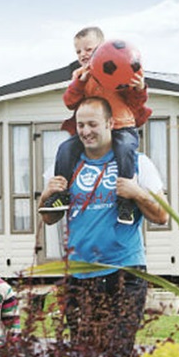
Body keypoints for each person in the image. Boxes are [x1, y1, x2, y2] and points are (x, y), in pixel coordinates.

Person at [38, 96, 168, 357]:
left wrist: (137, 193)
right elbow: (49, 218)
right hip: (80, 274)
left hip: (125, 271)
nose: (86, 131)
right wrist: (46, 195)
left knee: (118, 355)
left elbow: (162, 216)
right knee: (83, 356)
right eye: (80, 125)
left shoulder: (137, 164)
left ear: (110, 123)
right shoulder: (64, 165)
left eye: (93, 124)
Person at [39, 27, 152, 225]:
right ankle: (61, 194)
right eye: (78, 51)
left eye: (88, 49)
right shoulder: (79, 75)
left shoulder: (121, 68)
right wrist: (79, 84)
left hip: (122, 127)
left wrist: (140, 87)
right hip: (91, 132)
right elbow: (69, 102)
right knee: (65, 149)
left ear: (103, 49)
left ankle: (125, 201)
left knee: (125, 149)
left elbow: (136, 101)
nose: (83, 54)